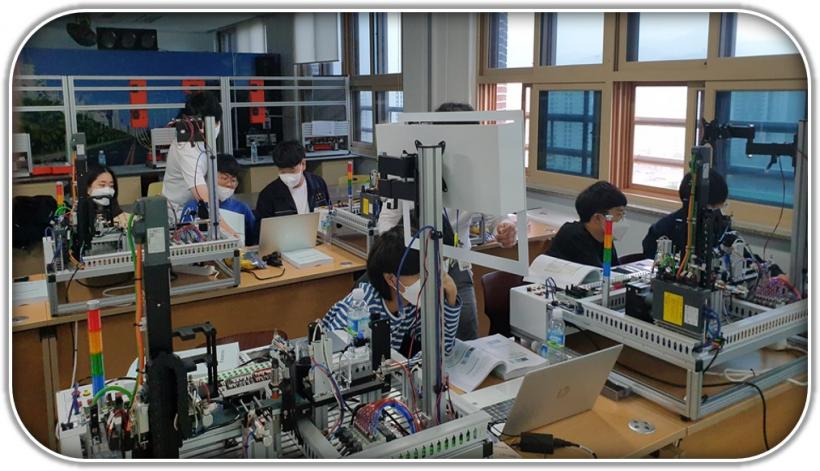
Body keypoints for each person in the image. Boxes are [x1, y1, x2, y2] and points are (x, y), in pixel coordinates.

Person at [376, 102, 518, 341]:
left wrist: (506, 229)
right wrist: (396, 262)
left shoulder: (479, 173)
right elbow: (387, 220)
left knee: (466, 329)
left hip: (456, 264)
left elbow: (499, 218)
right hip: (413, 264)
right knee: (415, 337)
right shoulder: (412, 169)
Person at [321, 226, 461, 358]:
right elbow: (332, 361)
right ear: (391, 279)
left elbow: (441, 350)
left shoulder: (410, 305)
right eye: (420, 275)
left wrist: (451, 293)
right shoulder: (359, 310)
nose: (429, 280)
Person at [642, 169, 729, 259]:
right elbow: (651, 260)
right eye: (715, 207)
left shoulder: (719, 225)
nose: (718, 212)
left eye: (722, 206)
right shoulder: (663, 230)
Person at [162, 92, 223, 219]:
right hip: (178, 214)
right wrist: (232, 232)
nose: (216, 127)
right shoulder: (186, 148)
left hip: (196, 208)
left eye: (217, 123)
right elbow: (205, 201)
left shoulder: (207, 143)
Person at [180, 154, 257, 246]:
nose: (229, 184)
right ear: (209, 178)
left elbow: (254, 237)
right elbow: (183, 238)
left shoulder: (242, 208)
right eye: (225, 178)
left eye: (233, 180)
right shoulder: (193, 207)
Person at [546, 181, 628, 267]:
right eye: (619, 214)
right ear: (598, 218)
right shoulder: (573, 236)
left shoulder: (605, 237)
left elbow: (614, 268)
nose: (622, 219)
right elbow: (597, 272)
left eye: (623, 213)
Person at [255, 140, 331, 221]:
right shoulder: (268, 195)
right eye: (283, 172)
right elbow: (262, 226)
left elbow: (328, 213)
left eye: (292, 171)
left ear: (303, 164)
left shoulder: (318, 183)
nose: (288, 176)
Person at [85, 164, 129, 228]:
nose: (107, 190)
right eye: (102, 185)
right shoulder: (80, 215)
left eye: (111, 186)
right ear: (88, 188)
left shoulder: (119, 215)